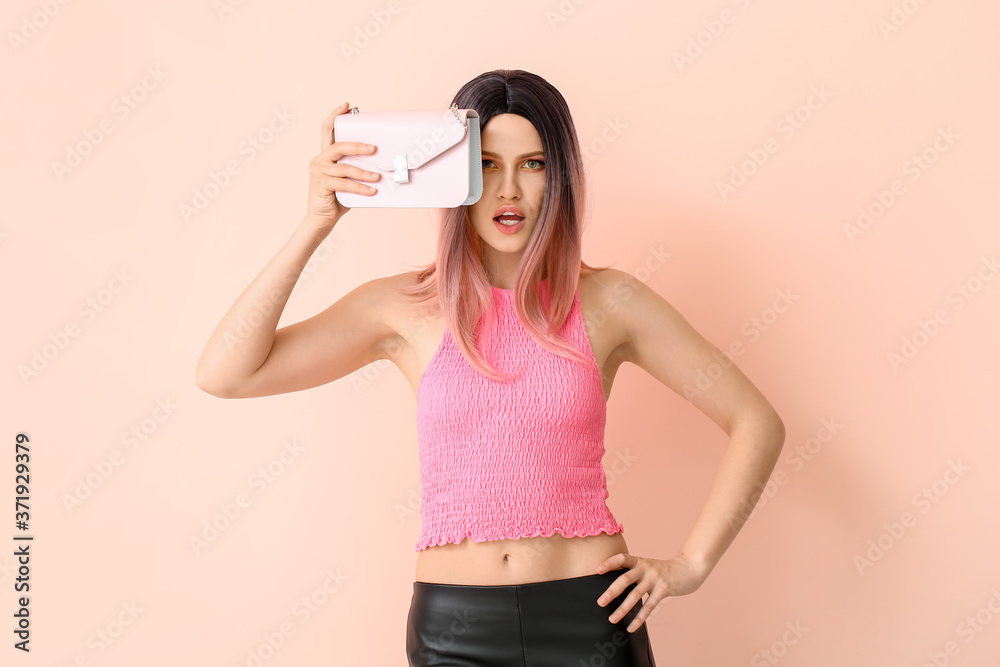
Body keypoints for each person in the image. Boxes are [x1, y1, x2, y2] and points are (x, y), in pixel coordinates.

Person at [195, 69, 785, 667]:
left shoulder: (611, 302)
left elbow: (756, 421)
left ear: (560, 177)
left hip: (591, 617)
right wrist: (316, 222)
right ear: (455, 176)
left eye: (532, 164)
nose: (508, 190)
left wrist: (691, 565)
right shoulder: (404, 307)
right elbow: (226, 372)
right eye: (485, 165)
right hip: (454, 630)